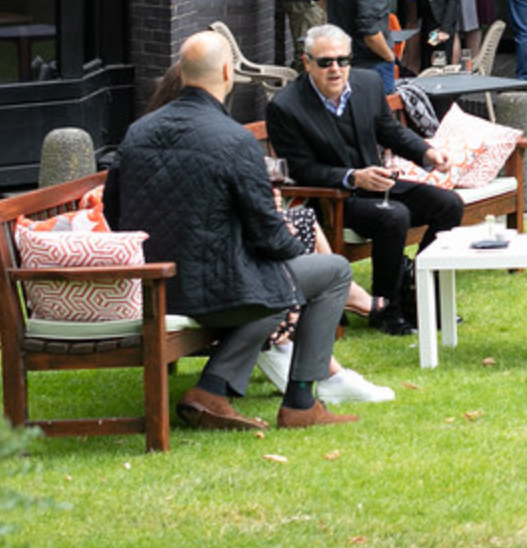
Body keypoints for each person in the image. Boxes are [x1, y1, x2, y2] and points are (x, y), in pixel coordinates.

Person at [104, 31, 359, 430]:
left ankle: (213, 390)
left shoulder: (138, 131)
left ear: (182, 73)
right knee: (330, 272)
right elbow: (267, 235)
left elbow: (113, 211)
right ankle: (300, 402)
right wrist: (295, 243)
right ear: (227, 71)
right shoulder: (235, 140)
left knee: (272, 280)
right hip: (214, 292)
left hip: (148, 285)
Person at [264, 26, 460, 337]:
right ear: (307, 62)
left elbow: (390, 131)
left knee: (448, 205)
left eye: (343, 60)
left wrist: (427, 153)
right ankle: (386, 309)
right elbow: (301, 170)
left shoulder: (367, 83)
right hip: (332, 199)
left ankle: (424, 293)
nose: (336, 69)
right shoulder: (285, 107)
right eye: (326, 62)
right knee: (395, 216)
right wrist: (354, 177)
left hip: (378, 185)